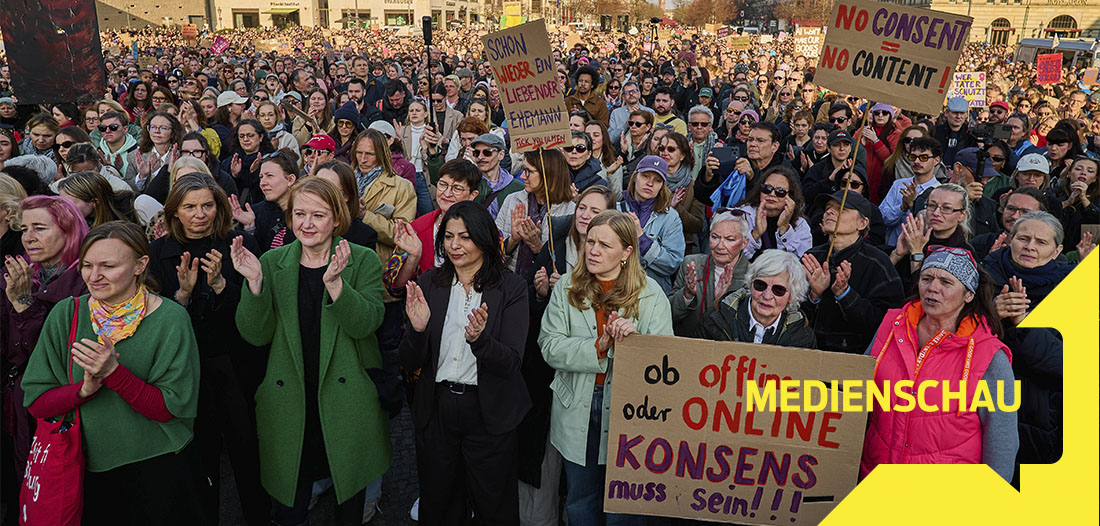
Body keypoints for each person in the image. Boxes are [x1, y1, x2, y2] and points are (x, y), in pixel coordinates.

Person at [231, 178, 392, 525]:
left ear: (337, 219)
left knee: (349, 502)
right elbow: (255, 335)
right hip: (291, 401)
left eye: (318, 215)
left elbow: (367, 324)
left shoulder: (362, 259)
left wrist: (336, 286)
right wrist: (254, 285)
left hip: (346, 402)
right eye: (299, 213)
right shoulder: (272, 263)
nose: (306, 223)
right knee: (289, 506)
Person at [21, 220, 205, 524]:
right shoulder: (66, 314)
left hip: (156, 468)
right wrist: (82, 391)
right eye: (87, 265)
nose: (94, 276)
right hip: (81, 468)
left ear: (140, 265)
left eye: (108, 266)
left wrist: (114, 373)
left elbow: (169, 410)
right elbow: (37, 402)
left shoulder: (171, 319)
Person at [538, 210, 673, 526]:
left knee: (624, 506)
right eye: (590, 242)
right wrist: (598, 346)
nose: (593, 250)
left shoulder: (651, 294)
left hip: (629, 412)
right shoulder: (567, 286)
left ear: (627, 252)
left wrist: (635, 343)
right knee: (580, 501)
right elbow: (549, 346)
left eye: (605, 245)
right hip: (577, 405)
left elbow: (665, 362)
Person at [400, 201, 530, 525]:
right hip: (437, 409)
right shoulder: (430, 283)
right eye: (448, 236)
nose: (454, 245)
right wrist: (417, 330)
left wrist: (480, 341)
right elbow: (408, 360)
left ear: (484, 239)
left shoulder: (511, 287)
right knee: (439, 503)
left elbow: (511, 362)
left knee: (494, 507)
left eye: (465, 237)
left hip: (489, 413)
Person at [148, 174, 268, 525]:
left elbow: (256, 311)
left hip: (235, 363)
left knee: (247, 450)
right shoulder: (158, 251)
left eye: (207, 205)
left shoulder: (240, 242)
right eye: (190, 207)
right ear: (175, 211)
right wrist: (182, 296)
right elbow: (156, 320)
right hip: (186, 368)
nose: (199, 214)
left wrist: (221, 286)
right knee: (199, 457)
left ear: (218, 207)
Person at [861, 246, 1018, 482]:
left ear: (968, 295)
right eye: (926, 278)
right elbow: (858, 391)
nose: (932, 288)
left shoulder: (989, 356)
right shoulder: (891, 326)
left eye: (946, 282)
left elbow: (1002, 443)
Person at [1, 196, 89, 492]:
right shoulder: (19, 274)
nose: (28, 238)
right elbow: (11, 349)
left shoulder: (88, 279)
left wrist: (24, 304)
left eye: (39, 228)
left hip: (67, 406)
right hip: (23, 403)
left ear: (69, 231)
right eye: (24, 229)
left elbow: (53, 353)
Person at [984, 211, 1070, 486]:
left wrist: (1022, 324)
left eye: (1041, 242)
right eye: (1023, 238)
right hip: (984, 406)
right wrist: (990, 316)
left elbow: (1071, 364)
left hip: (1045, 416)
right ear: (1010, 240)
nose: (1030, 246)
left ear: (1057, 251)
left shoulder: (1073, 287)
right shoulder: (981, 279)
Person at [801, 190, 904, 353]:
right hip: (807, 351)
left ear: (862, 223)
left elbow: (886, 321)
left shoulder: (878, 263)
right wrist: (814, 295)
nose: (829, 211)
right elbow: (792, 314)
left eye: (841, 209)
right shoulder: (811, 257)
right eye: (828, 208)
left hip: (855, 356)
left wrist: (844, 294)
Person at [695, 249, 815, 347]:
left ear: (792, 296)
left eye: (778, 290)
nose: (767, 296)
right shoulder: (715, 320)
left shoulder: (802, 337)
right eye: (760, 285)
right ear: (750, 285)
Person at [670, 210, 752, 337]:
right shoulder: (692, 264)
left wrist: (720, 303)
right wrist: (687, 295)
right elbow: (669, 314)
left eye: (729, 239)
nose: (720, 246)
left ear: (744, 243)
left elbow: (745, 329)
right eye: (715, 237)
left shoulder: (752, 277)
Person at [497, 150, 577, 276]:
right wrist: (513, 240)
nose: (522, 176)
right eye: (523, 170)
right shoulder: (512, 200)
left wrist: (537, 246)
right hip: (508, 281)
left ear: (548, 173)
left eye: (528, 171)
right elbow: (493, 251)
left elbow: (568, 267)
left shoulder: (570, 212)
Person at [616, 155, 685, 293]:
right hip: (616, 288)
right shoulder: (615, 209)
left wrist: (642, 238)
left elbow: (673, 263)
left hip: (652, 293)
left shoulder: (671, 217)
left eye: (657, 180)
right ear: (635, 177)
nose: (650, 183)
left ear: (662, 186)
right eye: (645, 176)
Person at [880, 137, 943, 246]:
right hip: (893, 248)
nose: (916, 161)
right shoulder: (899, 185)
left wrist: (913, 206)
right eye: (913, 157)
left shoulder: (940, 191)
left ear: (936, 160)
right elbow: (881, 218)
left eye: (923, 158)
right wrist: (902, 207)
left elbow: (935, 226)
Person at [738, 165, 811, 260]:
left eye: (780, 191)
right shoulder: (741, 216)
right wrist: (755, 234)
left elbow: (800, 261)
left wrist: (784, 229)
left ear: (790, 197)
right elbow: (733, 256)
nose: (772, 194)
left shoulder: (800, 224)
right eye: (767, 188)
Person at [313, 161, 379, 250]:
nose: (320, 194)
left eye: (329, 190)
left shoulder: (363, 236)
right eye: (316, 187)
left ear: (346, 195)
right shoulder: (300, 226)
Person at [1046, 155, 1099, 252]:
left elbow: (1096, 219)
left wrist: (1083, 198)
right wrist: (1068, 202)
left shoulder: (1097, 199)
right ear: (1069, 174)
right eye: (1078, 169)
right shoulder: (1055, 193)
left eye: (1090, 171)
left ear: (1094, 179)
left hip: (1082, 252)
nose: (1083, 172)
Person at [222, 119, 276, 204]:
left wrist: (255, 173)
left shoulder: (272, 161)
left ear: (261, 137)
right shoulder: (229, 162)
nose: (245, 139)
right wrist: (234, 175)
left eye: (250, 135)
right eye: (241, 136)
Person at [57, 171, 138, 228]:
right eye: (62, 203)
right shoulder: (78, 223)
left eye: (71, 204)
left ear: (94, 201)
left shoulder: (134, 206)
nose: (65, 209)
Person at [934, 97, 976, 167]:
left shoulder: (972, 135)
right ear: (946, 113)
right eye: (955, 113)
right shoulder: (935, 131)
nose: (958, 116)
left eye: (962, 113)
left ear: (966, 114)